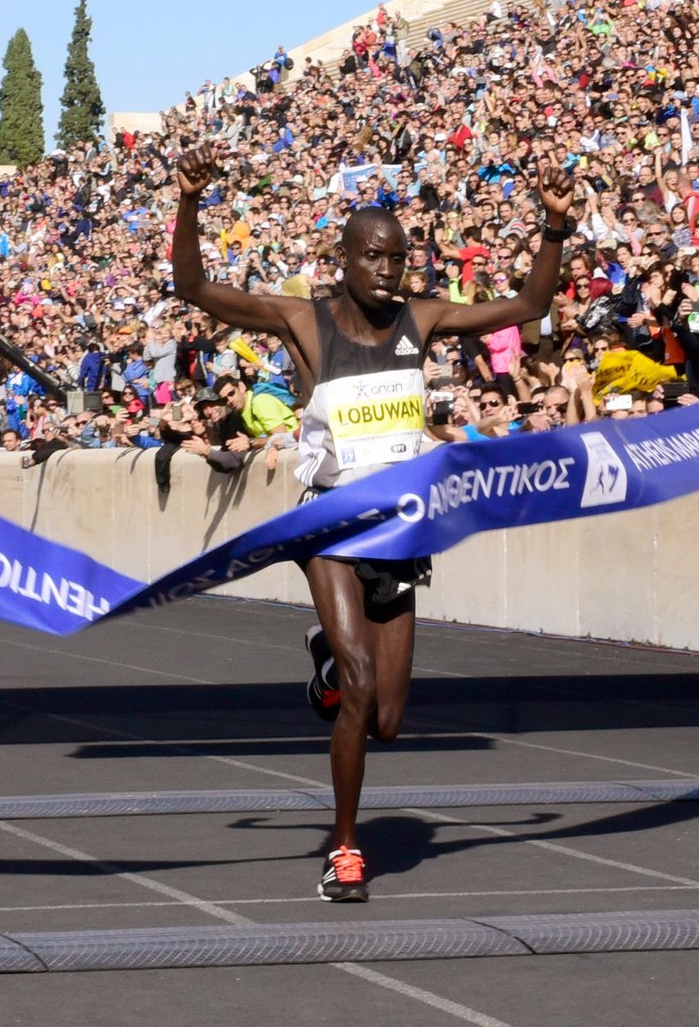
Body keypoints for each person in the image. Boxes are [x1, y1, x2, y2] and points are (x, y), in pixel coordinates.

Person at [171, 141, 575, 903]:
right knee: (358, 689)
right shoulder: (304, 321)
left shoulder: (421, 319)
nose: (391, 271)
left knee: (387, 719)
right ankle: (346, 849)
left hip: (398, 527)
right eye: (376, 258)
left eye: (400, 258)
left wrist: (552, 228)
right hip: (327, 523)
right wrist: (190, 200)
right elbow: (193, 285)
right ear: (346, 259)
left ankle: (329, 655)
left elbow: (529, 307)